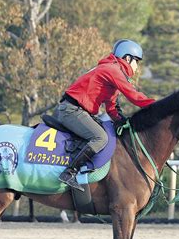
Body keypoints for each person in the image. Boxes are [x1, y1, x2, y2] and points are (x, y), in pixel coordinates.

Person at [53, 39, 155, 191]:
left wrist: (120, 121)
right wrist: (157, 106)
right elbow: (134, 96)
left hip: (77, 110)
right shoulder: (113, 70)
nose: (136, 67)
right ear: (127, 58)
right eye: (137, 61)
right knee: (100, 137)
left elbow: (111, 106)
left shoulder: (111, 69)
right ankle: (69, 172)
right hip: (71, 110)